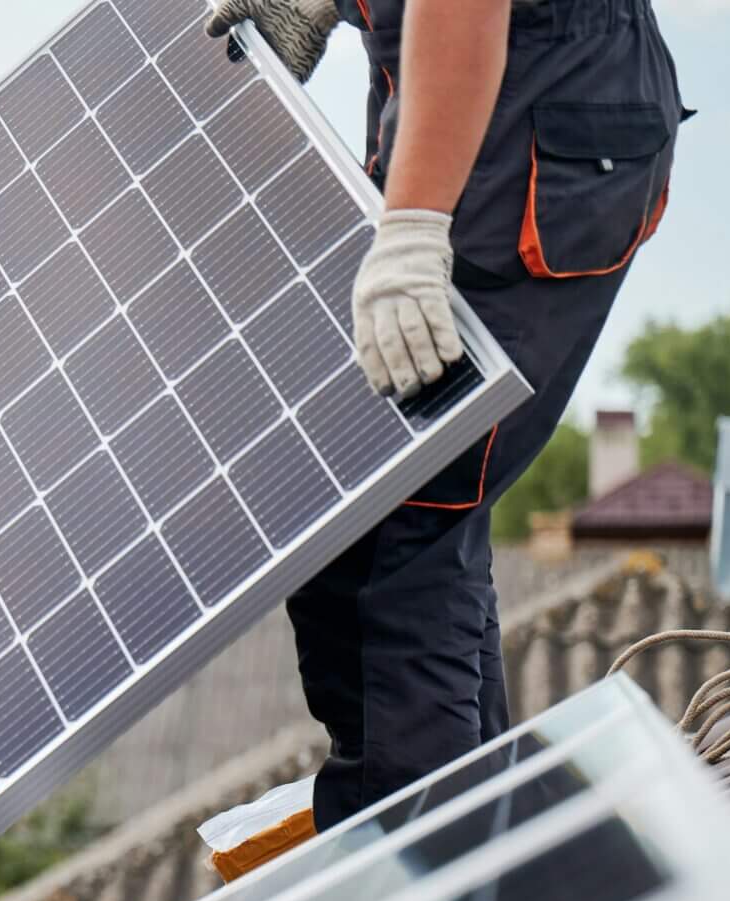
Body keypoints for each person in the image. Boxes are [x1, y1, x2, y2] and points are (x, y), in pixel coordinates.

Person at [205, 0, 684, 831]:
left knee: (394, 520)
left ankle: (432, 880)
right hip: (452, 82)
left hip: (526, 95)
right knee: (371, 524)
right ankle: (476, 869)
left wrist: (416, 227)